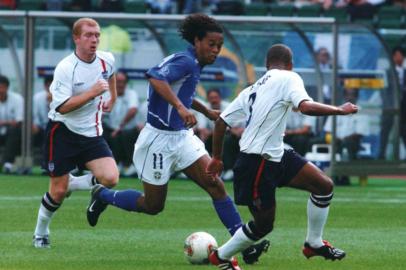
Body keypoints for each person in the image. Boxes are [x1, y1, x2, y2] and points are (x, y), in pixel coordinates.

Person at [86, 13, 269, 265]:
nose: (215, 51)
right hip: (158, 140)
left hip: (182, 138)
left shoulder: (193, 62)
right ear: (197, 41)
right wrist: (182, 110)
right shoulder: (186, 60)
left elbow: (180, 90)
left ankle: (244, 245)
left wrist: (204, 111)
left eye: (219, 46)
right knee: (153, 205)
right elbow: (156, 78)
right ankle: (103, 195)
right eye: (211, 45)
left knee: (215, 184)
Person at [206, 44, 357, 269]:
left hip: (277, 153)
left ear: (267, 66)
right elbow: (305, 107)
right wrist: (339, 110)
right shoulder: (289, 77)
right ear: (291, 64)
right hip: (256, 161)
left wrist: (216, 157)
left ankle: (313, 243)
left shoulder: (252, 88)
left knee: (323, 185)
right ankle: (221, 256)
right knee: (264, 225)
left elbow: (220, 122)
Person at [32, 17, 119, 248]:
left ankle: (74, 183)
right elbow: (62, 107)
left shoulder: (106, 60)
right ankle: (40, 233)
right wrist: (92, 93)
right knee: (58, 192)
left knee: (110, 178)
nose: (94, 39)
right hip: (63, 132)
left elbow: (111, 76)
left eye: (97, 35)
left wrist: (113, 96)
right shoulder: (66, 68)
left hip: (91, 132)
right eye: (89, 35)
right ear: (76, 38)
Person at [102, 71, 140, 175]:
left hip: (128, 129)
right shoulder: (107, 94)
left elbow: (133, 110)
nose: (120, 84)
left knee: (123, 135)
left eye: (123, 82)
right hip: (111, 127)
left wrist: (120, 126)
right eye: (118, 82)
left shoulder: (131, 93)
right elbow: (101, 112)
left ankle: (128, 165)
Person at [379, 46, 406, 159]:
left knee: (404, 132)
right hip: (390, 108)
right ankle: (381, 156)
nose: (401, 57)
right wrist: (388, 105)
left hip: (404, 110)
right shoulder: (387, 72)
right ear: (394, 56)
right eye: (398, 55)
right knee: (385, 132)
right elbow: (383, 91)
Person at [0, 74, 23, 173]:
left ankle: (6, 163)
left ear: (7, 87)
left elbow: (19, 121)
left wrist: (3, 123)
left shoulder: (17, 99)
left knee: (14, 130)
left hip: (13, 133)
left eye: (1, 87)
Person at [32, 76, 53, 149]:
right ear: (45, 86)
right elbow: (35, 115)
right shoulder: (37, 97)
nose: (50, 89)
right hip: (41, 127)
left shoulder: (62, 97)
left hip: (56, 127)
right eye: (48, 86)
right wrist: (35, 125)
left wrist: (51, 103)